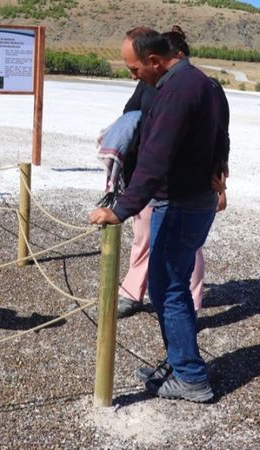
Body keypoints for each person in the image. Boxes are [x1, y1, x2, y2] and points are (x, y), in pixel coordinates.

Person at [89, 27, 227, 403]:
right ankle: (179, 362)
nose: (132, 76)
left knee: (170, 290)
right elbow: (218, 137)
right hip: (187, 199)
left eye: (134, 69)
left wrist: (118, 210)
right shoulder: (196, 81)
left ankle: (191, 377)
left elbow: (154, 160)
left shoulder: (177, 92)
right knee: (170, 287)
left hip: (182, 203)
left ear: (154, 61)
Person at [115, 26, 230, 318]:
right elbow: (129, 117)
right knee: (142, 238)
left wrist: (221, 177)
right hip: (147, 180)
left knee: (185, 251)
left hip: (181, 188)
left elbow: (220, 134)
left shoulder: (203, 87)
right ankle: (133, 292)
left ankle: (187, 307)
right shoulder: (148, 84)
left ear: (171, 57)